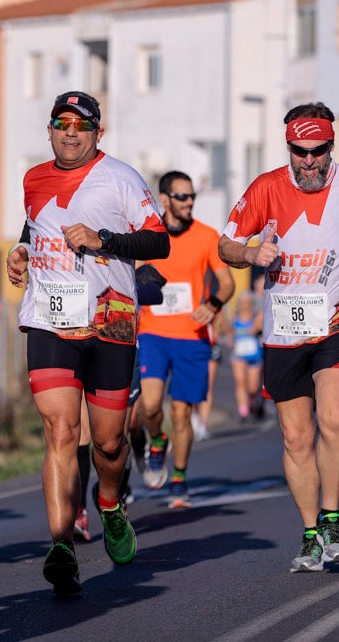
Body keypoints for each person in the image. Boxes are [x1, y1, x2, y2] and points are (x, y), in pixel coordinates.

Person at [218, 102, 339, 573]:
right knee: (296, 436)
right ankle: (310, 533)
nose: (309, 161)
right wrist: (251, 253)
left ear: (331, 145)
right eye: (300, 152)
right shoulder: (265, 188)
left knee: (335, 419)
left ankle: (333, 515)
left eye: (317, 151)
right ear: (289, 148)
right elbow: (226, 244)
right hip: (285, 326)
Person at [6, 90, 169, 596]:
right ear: (50, 129)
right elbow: (37, 226)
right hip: (51, 319)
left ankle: (110, 503)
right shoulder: (33, 178)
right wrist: (20, 250)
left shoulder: (120, 177)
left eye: (81, 125)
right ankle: (61, 544)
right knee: (59, 430)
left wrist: (105, 240)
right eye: (61, 123)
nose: (70, 132)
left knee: (109, 442)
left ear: (99, 132)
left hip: (111, 321)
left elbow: (158, 241)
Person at [137, 170, 234, 507]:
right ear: (164, 199)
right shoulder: (147, 236)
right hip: (152, 333)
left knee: (182, 412)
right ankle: (156, 441)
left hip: (192, 336)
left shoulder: (207, 236)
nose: (189, 202)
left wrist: (213, 304)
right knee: (149, 405)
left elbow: (227, 283)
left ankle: (178, 476)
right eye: (182, 196)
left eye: (192, 196)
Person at [229, 291, 264, 422]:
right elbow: (228, 331)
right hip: (238, 355)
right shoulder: (235, 317)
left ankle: (252, 399)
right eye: (243, 303)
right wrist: (230, 338)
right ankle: (243, 411)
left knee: (253, 387)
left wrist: (256, 328)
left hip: (254, 354)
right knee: (240, 382)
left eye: (248, 303)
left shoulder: (257, 316)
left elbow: (261, 328)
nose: (245, 306)